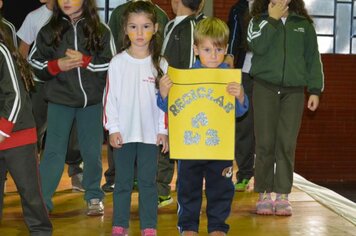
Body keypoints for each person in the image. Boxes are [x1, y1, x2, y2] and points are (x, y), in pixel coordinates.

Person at [158, 17, 249, 236]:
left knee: (222, 189)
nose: (213, 55)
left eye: (218, 50)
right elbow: (167, 107)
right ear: (196, 49)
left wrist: (240, 96)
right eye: (207, 49)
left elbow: (240, 112)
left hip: (220, 149)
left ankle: (218, 227)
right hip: (190, 150)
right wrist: (163, 92)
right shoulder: (183, 77)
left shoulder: (230, 79)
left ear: (226, 49)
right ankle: (188, 227)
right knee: (188, 189)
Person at [28, 0, 115, 215]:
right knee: (53, 153)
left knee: (92, 151)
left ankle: (94, 195)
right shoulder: (48, 30)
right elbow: (33, 63)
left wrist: (86, 61)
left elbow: (113, 64)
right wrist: (56, 66)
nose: (66, 1)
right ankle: (42, 201)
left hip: (91, 103)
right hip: (60, 101)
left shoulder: (100, 30)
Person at [248, 0, 324, 216]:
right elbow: (256, 46)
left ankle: (282, 194)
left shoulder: (303, 24)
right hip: (264, 88)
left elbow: (312, 58)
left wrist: (315, 90)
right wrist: (271, 19)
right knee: (264, 143)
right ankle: (263, 192)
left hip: (294, 92)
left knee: (286, 144)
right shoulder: (257, 21)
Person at [103, 2, 168, 235]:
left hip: (150, 136)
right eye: (134, 26)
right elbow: (110, 99)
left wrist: (163, 130)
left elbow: (165, 104)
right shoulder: (117, 63)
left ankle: (149, 226)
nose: (139, 33)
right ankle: (119, 224)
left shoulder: (161, 64)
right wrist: (113, 128)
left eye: (146, 26)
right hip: (124, 134)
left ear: (156, 28)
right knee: (122, 182)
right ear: (125, 29)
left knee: (149, 184)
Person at [17, 0, 85, 192]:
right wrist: (24, 78)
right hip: (40, 85)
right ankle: (31, 172)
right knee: (35, 128)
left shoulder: (72, 15)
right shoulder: (33, 17)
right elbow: (23, 50)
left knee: (73, 130)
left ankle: (76, 170)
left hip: (67, 84)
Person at [0, 11, 53, 235]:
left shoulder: (1, 50)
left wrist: (2, 131)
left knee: (30, 193)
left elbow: (15, 95)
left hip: (16, 134)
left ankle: (41, 231)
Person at [157, 0, 202, 209]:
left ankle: (186, 197)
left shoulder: (192, 26)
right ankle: (162, 191)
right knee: (164, 143)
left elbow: (192, 65)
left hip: (182, 98)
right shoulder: (170, 24)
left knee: (183, 149)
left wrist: (185, 97)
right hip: (166, 93)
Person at [227, 0, 255, 191]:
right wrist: (229, 56)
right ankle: (245, 173)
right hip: (244, 73)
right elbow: (232, 38)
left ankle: (266, 176)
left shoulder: (275, 5)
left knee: (266, 128)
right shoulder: (238, 8)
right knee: (243, 126)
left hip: (269, 76)